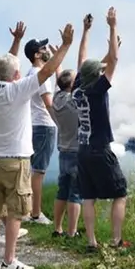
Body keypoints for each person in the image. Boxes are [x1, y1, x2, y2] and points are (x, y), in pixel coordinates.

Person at [0, 16, 73, 269]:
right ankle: (9, 260)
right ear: (16, 74)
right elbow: (48, 71)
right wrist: (66, 45)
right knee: (15, 214)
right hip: (16, 162)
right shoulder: (19, 90)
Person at [74, 7, 132, 251]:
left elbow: (83, 59)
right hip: (99, 149)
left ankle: (91, 242)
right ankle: (117, 241)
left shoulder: (77, 85)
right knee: (120, 193)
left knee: (88, 197)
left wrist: (86, 31)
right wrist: (112, 25)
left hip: (83, 150)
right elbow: (114, 61)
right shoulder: (98, 90)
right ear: (96, 74)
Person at [23, 34, 58, 226]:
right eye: (43, 49)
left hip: (35, 124)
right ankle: (36, 213)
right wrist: (63, 125)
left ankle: (28, 210)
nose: (47, 51)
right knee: (39, 171)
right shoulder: (41, 76)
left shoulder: (31, 73)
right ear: (36, 55)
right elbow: (49, 105)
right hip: (44, 125)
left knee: (33, 169)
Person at [51, 68, 82, 238]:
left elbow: (62, 80)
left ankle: (58, 228)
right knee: (75, 193)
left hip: (63, 149)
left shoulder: (57, 98)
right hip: (77, 150)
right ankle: (72, 232)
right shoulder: (74, 102)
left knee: (62, 190)